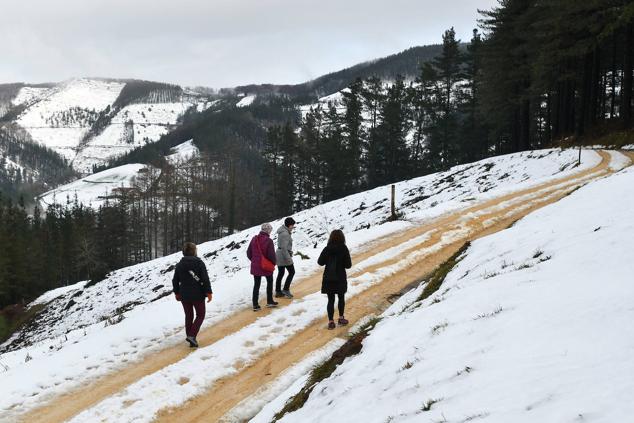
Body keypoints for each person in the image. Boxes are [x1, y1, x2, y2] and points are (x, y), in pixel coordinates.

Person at [172, 242, 212, 348]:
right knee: (200, 314)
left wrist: (176, 292)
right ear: (194, 251)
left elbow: (175, 280)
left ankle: (191, 339)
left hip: (184, 295)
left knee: (189, 316)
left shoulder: (180, 265)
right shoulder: (199, 263)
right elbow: (205, 278)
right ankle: (192, 335)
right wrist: (209, 292)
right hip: (198, 294)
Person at [318, 229, 352, 330]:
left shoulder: (327, 249)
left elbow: (320, 262)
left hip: (329, 278)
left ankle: (331, 321)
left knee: (331, 300)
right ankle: (341, 318)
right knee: (341, 298)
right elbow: (348, 265)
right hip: (340, 277)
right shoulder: (344, 248)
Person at [247, 223, 278, 311]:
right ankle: (269, 301)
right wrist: (273, 263)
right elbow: (271, 255)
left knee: (256, 284)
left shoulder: (254, 239)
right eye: (270, 230)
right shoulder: (269, 241)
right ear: (268, 230)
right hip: (266, 266)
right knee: (270, 281)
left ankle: (255, 305)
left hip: (256, 266)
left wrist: (254, 261)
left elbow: (248, 253)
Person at [275, 217, 296, 299]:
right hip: (283, 255)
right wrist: (288, 258)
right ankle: (286, 289)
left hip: (280, 254)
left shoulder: (283, 231)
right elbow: (284, 248)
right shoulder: (285, 234)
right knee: (292, 272)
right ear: (289, 225)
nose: (293, 227)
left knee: (281, 273)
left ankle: (278, 291)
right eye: (292, 225)